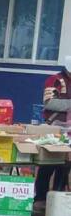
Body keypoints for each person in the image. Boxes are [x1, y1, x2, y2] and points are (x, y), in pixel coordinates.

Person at [36, 56, 71, 205]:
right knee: (48, 164)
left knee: (65, 166)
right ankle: (41, 199)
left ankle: (57, 200)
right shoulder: (55, 80)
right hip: (54, 129)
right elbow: (49, 103)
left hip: (69, 131)